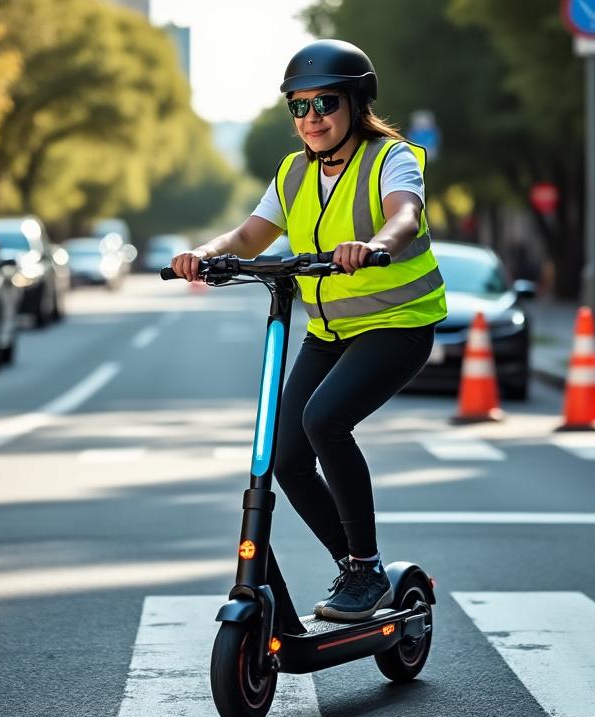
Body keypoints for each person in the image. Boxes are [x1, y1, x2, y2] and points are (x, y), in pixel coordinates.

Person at [170, 40, 447, 622]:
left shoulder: (390, 158)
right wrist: (203, 253)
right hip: (329, 331)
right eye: (299, 107)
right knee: (285, 453)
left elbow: (404, 214)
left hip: (397, 324)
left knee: (323, 420)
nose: (312, 118)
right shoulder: (293, 172)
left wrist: (374, 246)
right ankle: (353, 567)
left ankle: (368, 566)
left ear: (355, 102)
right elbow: (249, 236)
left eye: (324, 103)